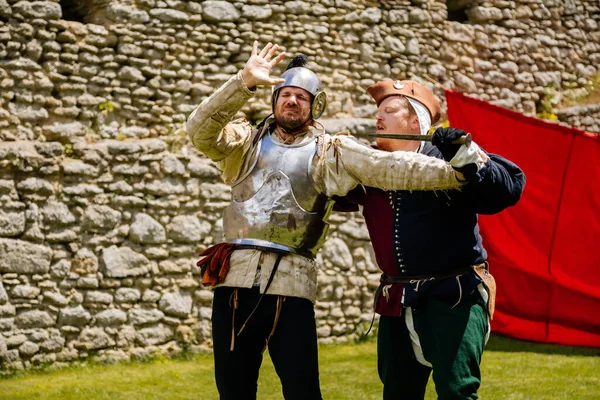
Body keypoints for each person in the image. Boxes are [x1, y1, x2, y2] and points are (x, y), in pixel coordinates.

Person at [186, 42, 482, 400]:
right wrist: (243, 81)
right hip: (234, 283)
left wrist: (456, 173)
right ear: (274, 98)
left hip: (292, 286)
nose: (292, 101)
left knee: (303, 392)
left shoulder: (331, 151)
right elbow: (199, 130)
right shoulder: (243, 143)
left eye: (302, 97)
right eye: (286, 94)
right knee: (233, 392)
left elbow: (389, 167)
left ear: (315, 106)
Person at [334, 79, 526, 399]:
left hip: (454, 295)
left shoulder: (447, 157)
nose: (377, 119)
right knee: (398, 393)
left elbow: (508, 187)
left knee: (456, 392)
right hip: (396, 298)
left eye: (389, 111)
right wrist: (327, 153)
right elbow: (332, 195)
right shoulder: (368, 167)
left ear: (415, 122)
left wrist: (466, 152)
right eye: (377, 112)